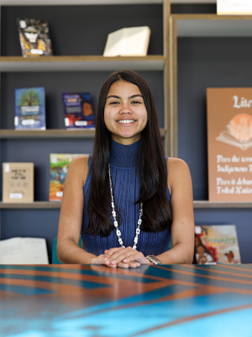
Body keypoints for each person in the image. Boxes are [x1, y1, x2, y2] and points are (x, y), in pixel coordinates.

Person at [56, 70, 194, 267]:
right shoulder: (80, 168)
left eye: (135, 102)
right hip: (96, 287)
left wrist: (148, 261)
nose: (125, 109)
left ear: (148, 110)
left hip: (156, 287)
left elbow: (186, 249)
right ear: (103, 111)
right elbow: (64, 244)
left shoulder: (176, 169)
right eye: (114, 102)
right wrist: (97, 261)